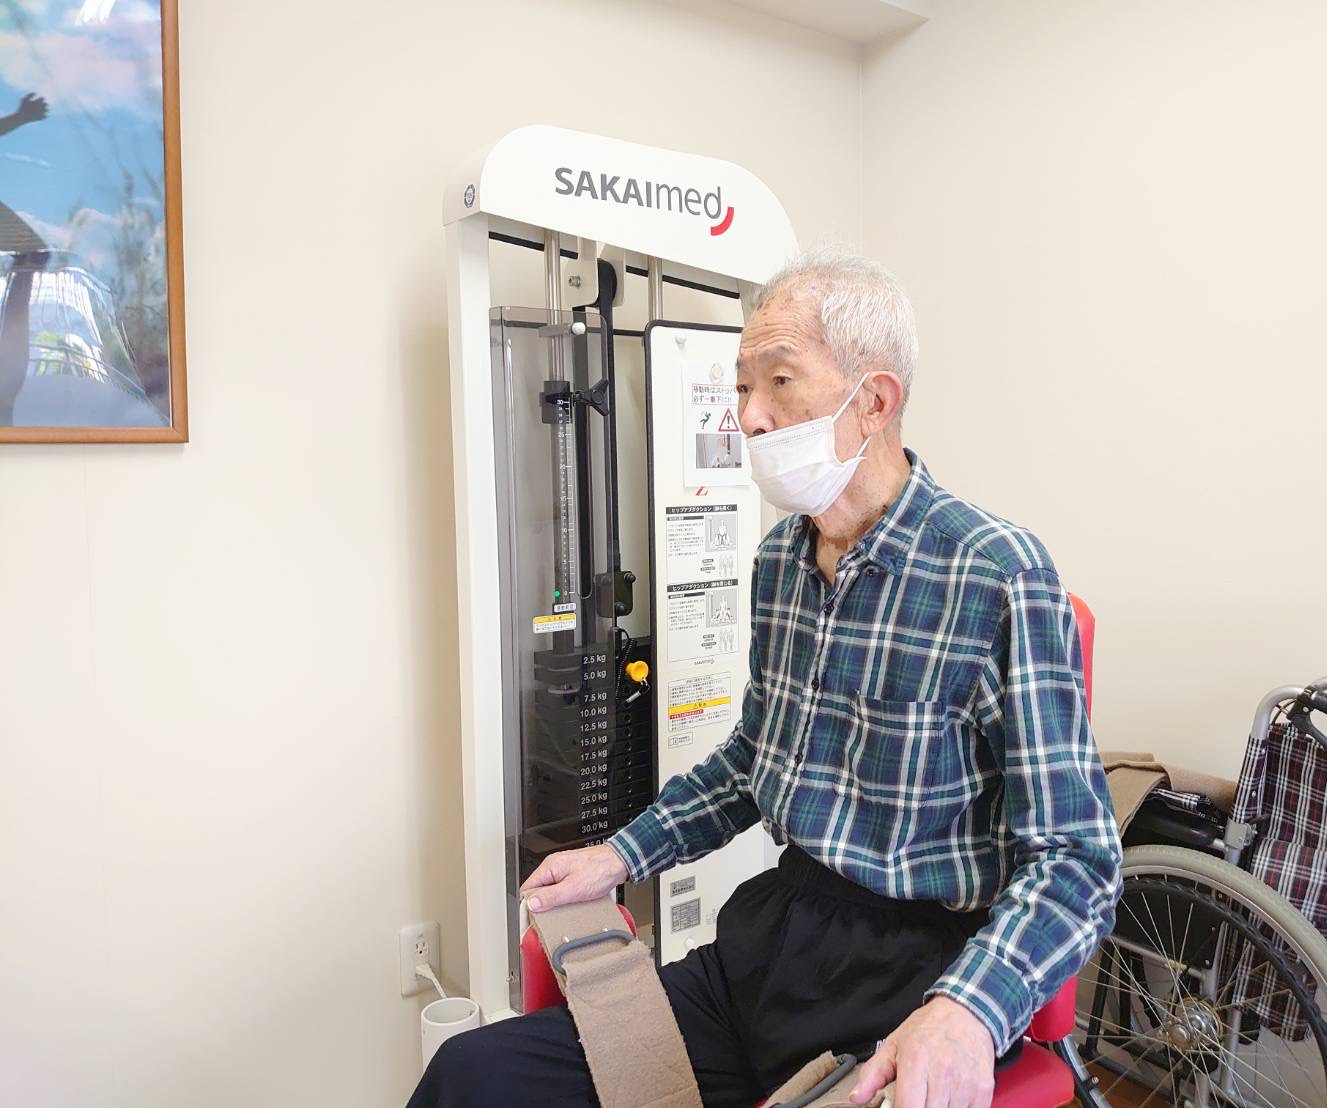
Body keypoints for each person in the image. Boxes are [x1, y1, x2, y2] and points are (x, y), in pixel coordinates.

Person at [407, 248, 1122, 1108]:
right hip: (771, 943)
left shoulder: (996, 574)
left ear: (874, 401)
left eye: (778, 381)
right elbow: (753, 760)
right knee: (473, 1076)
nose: (747, 416)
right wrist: (617, 855)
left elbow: (1076, 858)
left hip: (913, 979)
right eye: (742, 386)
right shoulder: (781, 560)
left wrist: (967, 1011)